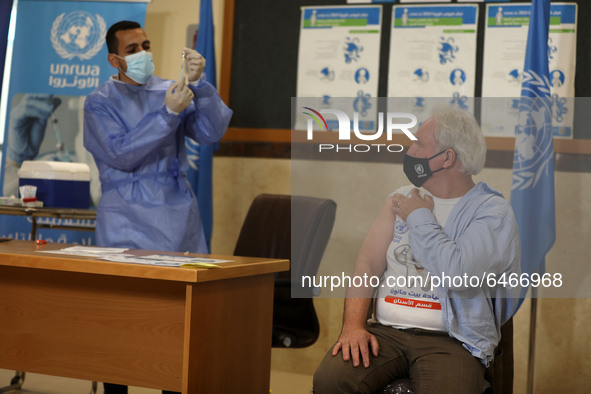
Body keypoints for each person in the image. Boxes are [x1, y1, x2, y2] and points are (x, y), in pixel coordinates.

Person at [313, 107, 521, 394]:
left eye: (419, 144)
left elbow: (457, 273)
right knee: (331, 381)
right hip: (386, 334)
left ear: (447, 158)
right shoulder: (398, 199)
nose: (409, 150)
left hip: (451, 341)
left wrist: (419, 218)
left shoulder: (492, 212)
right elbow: (367, 265)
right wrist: (352, 327)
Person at [83, 21, 232, 394]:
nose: (143, 54)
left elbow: (212, 133)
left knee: (179, 328)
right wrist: (166, 115)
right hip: (124, 223)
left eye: (146, 45)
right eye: (133, 50)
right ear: (114, 59)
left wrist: (202, 87)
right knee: (121, 325)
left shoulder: (172, 90)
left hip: (176, 219)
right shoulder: (99, 102)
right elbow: (121, 154)